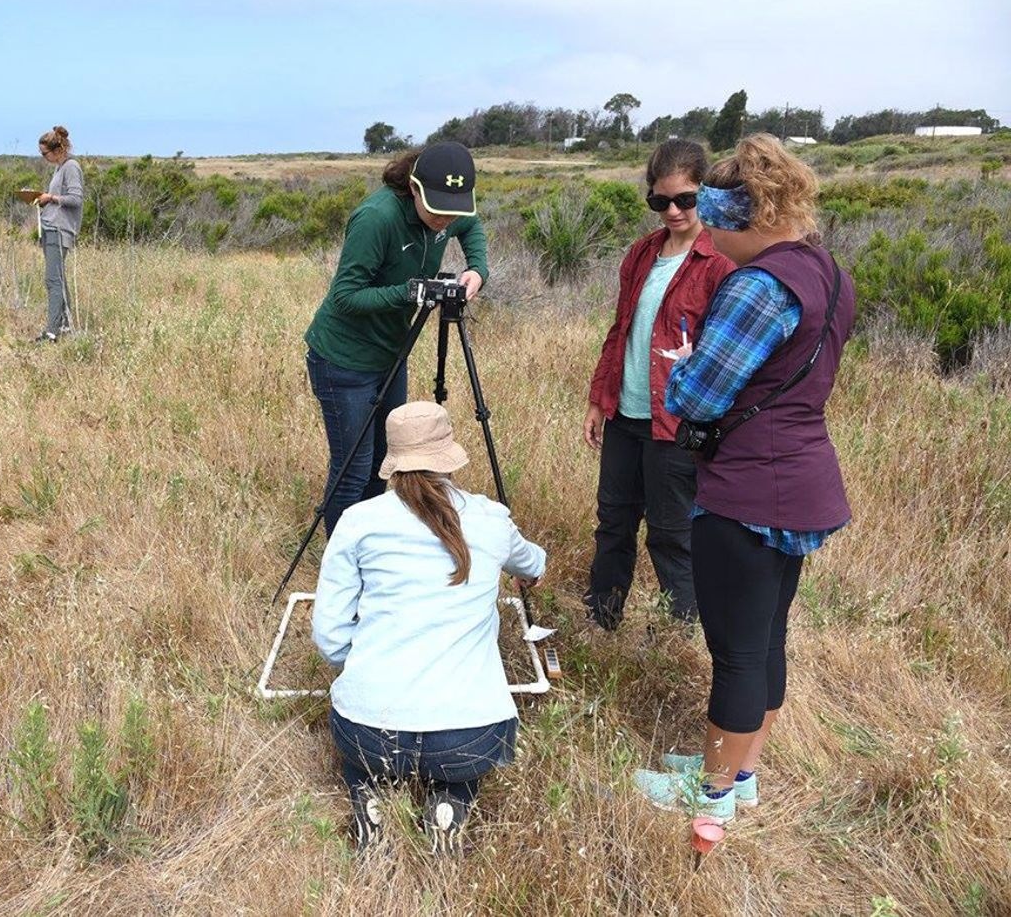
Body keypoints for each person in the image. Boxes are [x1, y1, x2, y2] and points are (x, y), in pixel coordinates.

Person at [633, 135, 856, 823]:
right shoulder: (827, 272)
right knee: (766, 639)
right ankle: (741, 770)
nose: (712, 240)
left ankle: (712, 795)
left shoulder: (758, 287)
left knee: (734, 651)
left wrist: (684, 366)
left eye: (715, 223)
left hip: (748, 492)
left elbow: (695, 396)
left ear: (745, 216)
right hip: (804, 477)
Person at [313, 401, 545, 854]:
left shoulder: (358, 522)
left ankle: (370, 800)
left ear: (391, 462)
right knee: (460, 768)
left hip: (368, 729)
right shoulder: (491, 519)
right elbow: (534, 564)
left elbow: (328, 635)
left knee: (361, 762)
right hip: (470, 734)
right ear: (451, 456)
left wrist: (359, 664)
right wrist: (527, 572)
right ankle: (450, 802)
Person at [582, 140, 734, 629]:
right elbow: (619, 330)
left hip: (676, 423)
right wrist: (598, 401)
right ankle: (602, 617)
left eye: (685, 199)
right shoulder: (642, 253)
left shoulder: (720, 261)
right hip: (626, 415)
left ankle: (679, 632)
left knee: (672, 535)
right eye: (660, 201)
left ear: (704, 195)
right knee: (614, 524)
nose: (672, 211)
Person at [303, 142, 489, 536]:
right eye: (437, 209)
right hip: (343, 361)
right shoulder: (377, 218)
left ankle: (370, 544)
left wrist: (477, 269)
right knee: (353, 468)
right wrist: (411, 292)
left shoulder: (448, 210)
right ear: (414, 188)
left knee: (387, 461)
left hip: (391, 355)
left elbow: (471, 226)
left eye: (453, 209)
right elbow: (346, 296)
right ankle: (342, 556)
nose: (445, 220)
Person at [33, 125, 84, 343]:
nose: (43, 157)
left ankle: (52, 331)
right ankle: (65, 325)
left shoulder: (71, 167)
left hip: (60, 230)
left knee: (53, 280)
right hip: (51, 227)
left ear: (57, 149)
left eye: (44, 153)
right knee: (58, 279)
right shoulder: (60, 167)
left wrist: (51, 198)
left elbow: (76, 199)